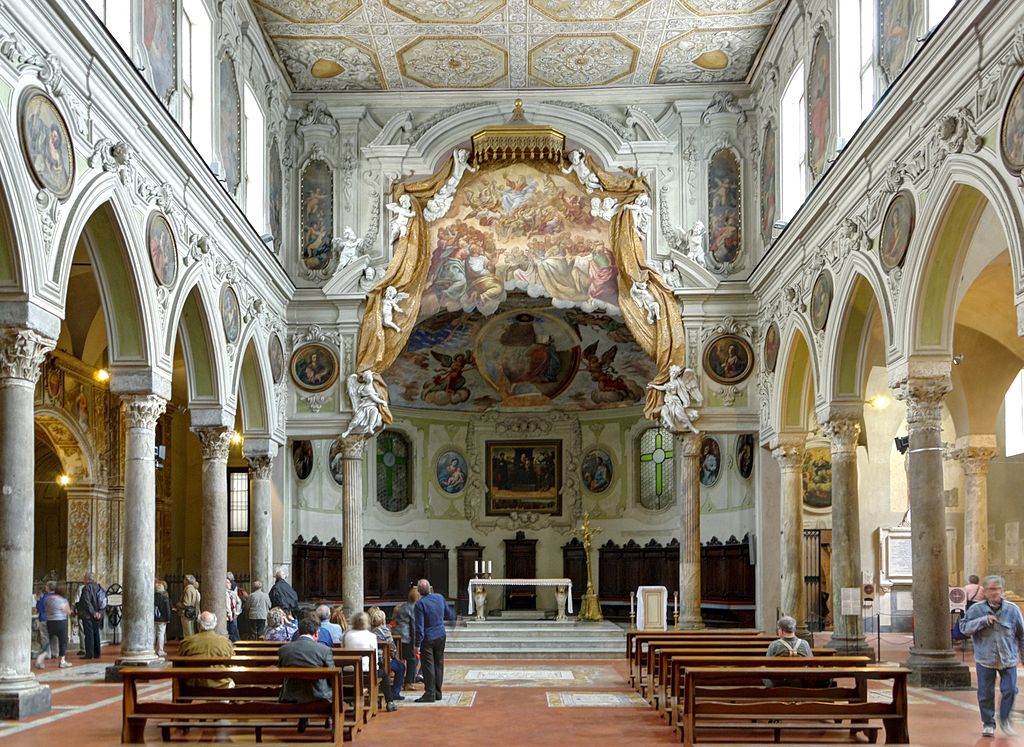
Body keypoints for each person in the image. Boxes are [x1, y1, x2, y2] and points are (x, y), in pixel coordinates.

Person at [960, 575, 1024, 737]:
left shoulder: (1012, 609)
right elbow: (964, 628)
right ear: (985, 591)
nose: (993, 592)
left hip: (1008, 658)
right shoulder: (976, 609)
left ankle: (1005, 718)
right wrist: (982, 621)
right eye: (990, 589)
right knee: (985, 693)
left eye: (996, 589)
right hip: (985, 658)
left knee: (1010, 689)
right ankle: (988, 723)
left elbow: (1021, 635)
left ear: (1002, 590)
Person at [344, 611, 398, 712]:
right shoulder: (371, 636)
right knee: (384, 674)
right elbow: (375, 657)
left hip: (349, 673)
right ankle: (390, 702)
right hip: (367, 673)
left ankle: (348, 700)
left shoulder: (346, 635)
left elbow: (343, 650)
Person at [414, 578, 455, 703]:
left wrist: (417, 644)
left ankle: (429, 693)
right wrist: (453, 623)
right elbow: (449, 614)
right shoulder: (439, 597)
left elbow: (419, 627)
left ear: (419, 591)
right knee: (439, 664)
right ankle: (438, 692)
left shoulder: (420, 604)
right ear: (430, 588)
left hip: (428, 637)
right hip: (441, 635)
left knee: (428, 666)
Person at [278, 616, 334, 704]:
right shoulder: (324, 650)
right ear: (316, 634)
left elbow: (280, 677)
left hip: (290, 698)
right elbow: (333, 677)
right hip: (319, 697)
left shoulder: (284, 650)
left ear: (298, 633)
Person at [178, 611, 235, 689]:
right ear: (215, 625)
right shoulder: (225, 642)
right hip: (221, 685)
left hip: (194, 685)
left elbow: (179, 664)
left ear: (199, 625)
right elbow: (231, 664)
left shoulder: (187, 642)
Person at [370, 607, 406, 702]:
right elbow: (392, 648)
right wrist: (394, 657)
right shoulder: (385, 631)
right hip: (383, 661)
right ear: (383, 620)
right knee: (401, 667)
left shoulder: (369, 631)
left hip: (371, 661)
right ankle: (395, 692)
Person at [393, 585, 421, 688]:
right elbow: (413, 626)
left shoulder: (403, 606)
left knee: (402, 658)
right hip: (406, 637)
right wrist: (415, 643)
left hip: (396, 635)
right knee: (412, 659)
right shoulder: (414, 607)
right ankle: (408, 682)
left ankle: (401, 680)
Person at [40, 584, 72, 669]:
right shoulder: (63, 600)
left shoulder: (48, 599)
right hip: (60, 622)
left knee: (48, 641)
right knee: (63, 641)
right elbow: (68, 611)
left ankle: (40, 660)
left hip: (50, 622)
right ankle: (62, 661)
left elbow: (44, 608)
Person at [77, 572, 103, 659]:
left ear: (88, 579)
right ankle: (97, 653)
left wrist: (93, 613)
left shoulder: (86, 588)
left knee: (89, 635)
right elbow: (104, 601)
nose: (83, 580)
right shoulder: (99, 587)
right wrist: (100, 612)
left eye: (84, 578)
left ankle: (89, 654)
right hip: (97, 615)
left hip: (88, 615)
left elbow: (87, 602)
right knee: (96, 634)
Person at [34, 581, 55, 669]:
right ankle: (55, 652)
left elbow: (40, 607)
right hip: (54, 619)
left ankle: (47, 654)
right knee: (54, 637)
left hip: (44, 619)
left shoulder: (45, 597)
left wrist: (37, 600)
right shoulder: (57, 597)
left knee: (45, 637)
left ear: (48, 587)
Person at [154, 580, 171, 657]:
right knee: (161, 634)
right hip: (162, 618)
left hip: (153, 618)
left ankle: (151, 649)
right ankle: (160, 650)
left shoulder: (152, 597)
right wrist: (168, 618)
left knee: (153, 634)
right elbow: (167, 609)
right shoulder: (164, 598)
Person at [225, 578, 242, 643]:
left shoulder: (231, 593)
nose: (230, 584)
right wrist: (229, 615)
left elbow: (239, 602)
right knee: (231, 633)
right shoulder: (225, 593)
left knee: (234, 632)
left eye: (229, 582)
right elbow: (227, 605)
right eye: (228, 583)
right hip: (228, 617)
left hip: (233, 615)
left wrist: (237, 612)